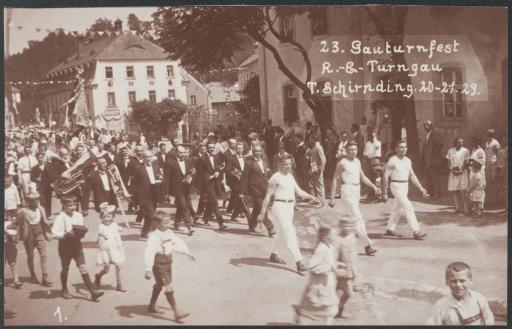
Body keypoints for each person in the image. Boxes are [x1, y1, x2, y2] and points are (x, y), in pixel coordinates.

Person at [257, 154, 319, 275]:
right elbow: (268, 196)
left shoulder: (290, 176)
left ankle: (273, 255)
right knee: (290, 232)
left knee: (282, 231)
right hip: (279, 207)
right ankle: (299, 262)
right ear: (279, 164)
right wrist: (262, 213)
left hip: (289, 207)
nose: (288, 166)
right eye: (285, 164)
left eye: (290, 164)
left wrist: (311, 196)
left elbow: (299, 191)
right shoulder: (275, 178)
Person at [329, 142, 380, 256]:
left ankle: (334, 243)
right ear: (346, 151)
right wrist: (332, 197)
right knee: (357, 218)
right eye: (351, 150)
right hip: (347, 190)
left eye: (355, 149)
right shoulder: (342, 163)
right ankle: (368, 245)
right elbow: (335, 179)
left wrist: (373, 186)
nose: (353, 152)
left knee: (348, 219)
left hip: (356, 190)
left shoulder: (357, 161)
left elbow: (363, 177)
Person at [51, 196, 104, 301]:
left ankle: (93, 292)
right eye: (69, 205)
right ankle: (64, 289)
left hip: (76, 245)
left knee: (83, 267)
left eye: (74, 205)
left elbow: (80, 227)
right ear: (64, 205)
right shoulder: (60, 217)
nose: (72, 207)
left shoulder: (78, 215)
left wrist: (81, 232)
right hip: (65, 245)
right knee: (65, 268)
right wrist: (66, 234)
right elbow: (54, 233)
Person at [144, 211, 194, 323]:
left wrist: (186, 252)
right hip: (159, 265)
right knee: (168, 286)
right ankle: (177, 312)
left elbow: (176, 243)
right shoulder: (154, 237)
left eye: (169, 221)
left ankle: (151, 306)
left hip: (168, 263)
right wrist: (148, 268)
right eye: (165, 222)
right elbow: (149, 252)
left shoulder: (169, 232)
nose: (168, 224)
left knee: (159, 284)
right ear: (156, 224)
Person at [382, 140, 428, 240]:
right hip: (395, 185)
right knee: (408, 207)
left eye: (405, 147)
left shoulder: (408, 160)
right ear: (396, 149)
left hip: (405, 186)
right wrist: (384, 192)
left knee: (397, 209)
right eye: (401, 147)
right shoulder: (393, 160)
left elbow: (412, 175)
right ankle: (416, 231)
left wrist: (421, 188)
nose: (404, 149)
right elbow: (385, 176)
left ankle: (389, 229)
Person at [294, 226, 338, 325]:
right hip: (320, 285)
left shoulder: (330, 247)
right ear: (325, 237)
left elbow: (330, 262)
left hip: (328, 284)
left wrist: (336, 266)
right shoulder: (321, 249)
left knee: (330, 310)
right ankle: (302, 313)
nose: (335, 237)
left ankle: (302, 313)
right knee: (330, 310)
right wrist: (327, 269)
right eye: (333, 235)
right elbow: (312, 266)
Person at [427, 262, 494, 325]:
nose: (458, 285)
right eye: (453, 281)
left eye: (462, 281)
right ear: (447, 282)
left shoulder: (478, 299)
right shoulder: (441, 306)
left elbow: (489, 321)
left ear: (470, 280)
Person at [15, 191, 53, 286]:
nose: (36, 202)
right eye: (33, 201)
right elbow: (16, 222)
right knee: (31, 256)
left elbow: (44, 220)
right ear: (28, 201)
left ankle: (45, 277)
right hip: (29, 234)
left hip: (39, 232)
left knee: (43, 255)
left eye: (37, 200)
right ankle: (32, 275)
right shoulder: (23, 211)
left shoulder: (41, 209)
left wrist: (49, 228)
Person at [239, 144, 275, 235]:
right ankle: (270, 228)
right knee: (262, 208)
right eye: (256, 151)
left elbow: (269, 172)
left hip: (265, 188)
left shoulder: (264, 160)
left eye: (259, 151)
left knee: (257, 209)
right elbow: (244, 178)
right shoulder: (249, 163)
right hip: (255, 190)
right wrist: (241, 192)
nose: (258, 153)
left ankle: (252, 224)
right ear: (253, 152)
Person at [163, 145, 195, 235]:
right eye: (180, 153)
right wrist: (166, 193)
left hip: (186, 188)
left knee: (183, 206)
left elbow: (193, 172)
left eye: (184, 153)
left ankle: (176, 223)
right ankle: (190, 226)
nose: (182, 155)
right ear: (176, 153)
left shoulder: (189, 161)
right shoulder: (170, 162)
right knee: (184, 207)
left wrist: (191, 178)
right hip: (177, 189)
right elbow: (166, 178)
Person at [94, 204, 126, 292]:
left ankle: (119, 285)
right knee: (106, 269)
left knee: (119, 266)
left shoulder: (114, 224)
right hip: (106, 250)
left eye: (109, 216)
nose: (107, 219)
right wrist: (102, 251)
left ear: (112, 217)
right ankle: (98, 276)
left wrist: (122, 228)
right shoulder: (101, 227)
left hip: (115, 249)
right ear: (101, 218)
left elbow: (120, 229)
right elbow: (100, 239)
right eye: (104, 217)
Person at [132, 151, 162, 238]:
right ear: (143, 158)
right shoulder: (138, 168)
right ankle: (159, 234)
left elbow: (159, 176)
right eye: (147, 157)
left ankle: (144, 232)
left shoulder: (155, 166)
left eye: (150, 157)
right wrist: (136, 199)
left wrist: (159, 180)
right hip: (144, 196)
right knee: (152, 215)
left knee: (149, 216)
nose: (148, 159)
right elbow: (135, 184)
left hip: (154, 194)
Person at [197, 143, 227, 230]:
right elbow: (200, 173)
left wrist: (218, 172)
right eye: (210, 147)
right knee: (214, 202)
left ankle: (204, 218)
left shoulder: (216, 157)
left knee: (211, 202)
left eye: (213, 147)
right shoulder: (202, 159)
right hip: (207, 184)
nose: (211, 149)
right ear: (206, 148)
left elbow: (220, 167)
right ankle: (221, 223)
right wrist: (208, 177)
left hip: (216, 183)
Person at [225, 142, 252, 224]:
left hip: (244, 183)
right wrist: (237, 174)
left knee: (239, 201)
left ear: (243, 149)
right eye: (238, 148)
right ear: (235, 149)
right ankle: (251, 220)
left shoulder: (245, 159)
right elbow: (227, 170)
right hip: (236, 184)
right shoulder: (231, 159)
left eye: (241, 148)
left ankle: (234, 216)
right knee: (243, 201)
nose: (239, 150)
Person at [446, 137, 470, 214]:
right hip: (453, 173)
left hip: (462, 173)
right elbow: (448, 161)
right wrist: (451, 169)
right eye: (459, 142)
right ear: (455, 142)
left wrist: (461, 170)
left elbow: (466, 162)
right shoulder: (450, 150)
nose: (461, 143)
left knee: (463, 190)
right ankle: (457, 208)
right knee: (455, 191)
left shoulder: (465, 150)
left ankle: (466, 209)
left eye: (462, 142)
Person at [422, 120, 445, 199]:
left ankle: (437, 194)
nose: (425, 127)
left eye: (427, 125)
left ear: (431, 126)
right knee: (430, 177)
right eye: (425, 126)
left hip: (433, 161)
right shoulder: (429, 134)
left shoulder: (434, 134)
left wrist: (434, 154)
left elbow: (440, 144)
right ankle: (431, 193)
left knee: (435, 177)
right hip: (429, 161)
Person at [307, 133, 326, 208]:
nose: (310, 141)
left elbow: (323, 159)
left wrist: (320, 169)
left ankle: (321, 202)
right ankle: (317, 200)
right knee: (315, 185)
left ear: (313, 139)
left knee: (319, 186)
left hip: (317, 169)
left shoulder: (318, 147)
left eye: (311, 139)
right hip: (313, 168)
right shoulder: (314, 147)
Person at [363, 130, 382, 202]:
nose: (370, 138)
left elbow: (374, 150)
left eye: (372, 136)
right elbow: (364, 153)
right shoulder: (367, 143)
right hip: (368, 160)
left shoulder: (377, 143)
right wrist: (367, 155)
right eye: (369, 136)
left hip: (375, 160)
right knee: (369, 177)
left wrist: (374, 137)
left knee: (377, 178)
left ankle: (378, 194)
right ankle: (370, 195)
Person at [484, 129, 501, 206]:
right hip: (487, 165)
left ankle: (494, 200)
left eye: (491, 134)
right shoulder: (486, 143)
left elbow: (499, 154)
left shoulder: (496, 143)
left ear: (493, 135)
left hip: (493, 164)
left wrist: (498, 164)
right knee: (488, 182)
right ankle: (489, 199)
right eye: (488, 134)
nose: (489, 135)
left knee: (494, 182)